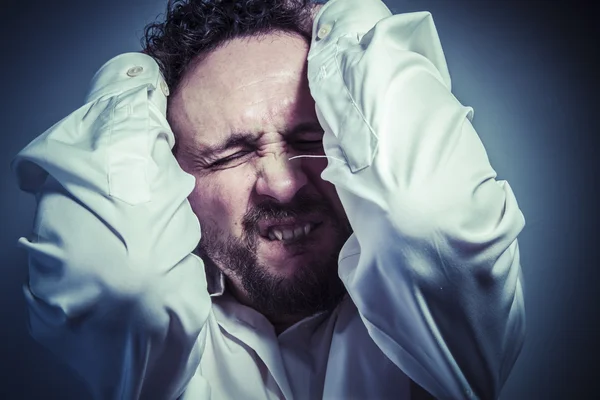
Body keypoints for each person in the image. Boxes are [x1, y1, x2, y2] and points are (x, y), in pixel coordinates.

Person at [11, 0, 526, 398]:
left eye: (311, 141)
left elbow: (428, 217)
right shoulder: (141, 352)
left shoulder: (446, 320)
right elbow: (121, 281)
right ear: (170, 176)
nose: (283, 184)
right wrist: (134, 77)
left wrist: (333, 20)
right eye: (231, 155)